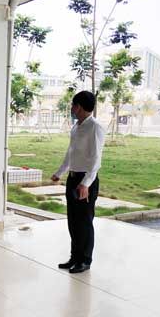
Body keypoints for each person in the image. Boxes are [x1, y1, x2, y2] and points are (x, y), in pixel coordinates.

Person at [51, 91, 105, 274]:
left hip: (85, 181)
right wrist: (60, 172)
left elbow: (96, 159)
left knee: (84, 222)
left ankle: (85, 260)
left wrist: (86, 183)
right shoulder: (76, 127)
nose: (71, 108)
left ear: (79, 106)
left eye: (73, 105)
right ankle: (75, 257)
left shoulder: (95, 127)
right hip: (73, 178)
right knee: (73, 221)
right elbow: (71, 152)